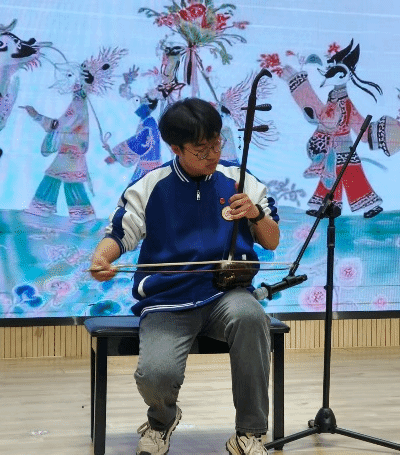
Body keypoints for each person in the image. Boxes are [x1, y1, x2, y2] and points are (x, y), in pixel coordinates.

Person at [89, 98, 280, 455]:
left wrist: (255, 214)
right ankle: (161, 421)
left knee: (251, 316)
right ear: (176, 148)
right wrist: (102, 258)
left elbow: (271, 240)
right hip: (168, 300)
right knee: (156, 375)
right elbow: (119, 233)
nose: (212, 155)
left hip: (226, 294)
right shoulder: (150, 185)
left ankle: (249, 433)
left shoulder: (239, 180)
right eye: (201, 149)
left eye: (217, 144)